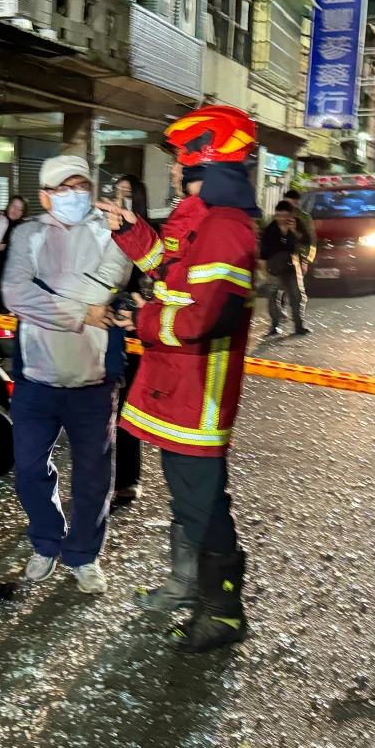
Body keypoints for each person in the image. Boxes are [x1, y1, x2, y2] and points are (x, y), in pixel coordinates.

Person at [104, 106, 259, 653]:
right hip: (179, 382)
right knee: (188, 498)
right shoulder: (203, 219)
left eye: (179, 161)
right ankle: (192, 589)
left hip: (200, 390)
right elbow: (171, 270)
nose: (172, 169)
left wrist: (139, 320)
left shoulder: (225, 227)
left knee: (204, 503)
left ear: (204, 163)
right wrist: (131, 233)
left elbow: (204, 318)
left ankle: (224, 613)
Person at [3, 154, 133, 594]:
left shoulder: (110, 232)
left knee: (94, 477)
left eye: (81, 187)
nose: (74, 195)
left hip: (93, 380)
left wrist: (46, 295)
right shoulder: (28, 234)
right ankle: (46, 540)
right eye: (63, 188)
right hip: (35, 378)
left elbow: (113, 279)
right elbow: (13, 293)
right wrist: (82, 311)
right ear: (45, 196)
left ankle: (84, 554)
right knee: (28, 470)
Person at [112, 175, 149, 504]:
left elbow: (154, 281)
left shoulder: (148, 234)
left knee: (126, 404)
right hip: (100, 323)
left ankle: (128, 477)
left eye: (127, 194)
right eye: (116, 193)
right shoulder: (102, 230)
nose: (120, 199)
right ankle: (97, 477)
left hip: (134, 328)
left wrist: (140, 307)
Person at [259, 199, 310, 335]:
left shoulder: (297, 224)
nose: (281, 219)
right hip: (274, 266)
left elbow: (306, 241)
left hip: (290, 266)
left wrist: (294, 231)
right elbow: (263, 252)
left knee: (296, 296)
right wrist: (265, 273)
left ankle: (299, 326)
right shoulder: (271, 229)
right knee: (273, 297)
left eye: (285, 216)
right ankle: (275, 326)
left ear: (290, 215)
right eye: (279, 215)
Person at [0, 194, 28, 310]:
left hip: (11, 276)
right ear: (8, 206)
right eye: (13, 206)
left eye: (19, 209)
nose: (15, 211)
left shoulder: (21, 229)